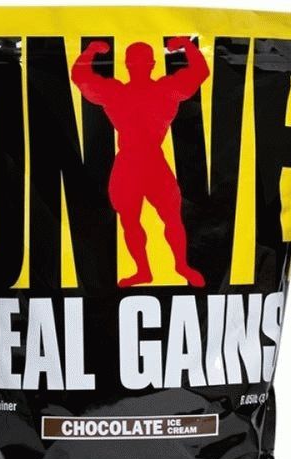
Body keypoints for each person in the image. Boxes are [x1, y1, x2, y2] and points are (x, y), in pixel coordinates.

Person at [71, 37, 209, 287]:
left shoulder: (139, 91)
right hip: (134, 163)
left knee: (167, 218)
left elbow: (81, 77)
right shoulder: (152, 91)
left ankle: (179, 265)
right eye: (136, 61)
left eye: (138, 61)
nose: (137, 65)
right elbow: (199, 72)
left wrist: (91, 51)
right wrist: (186, 46)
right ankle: (145, 270)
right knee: (134, 220)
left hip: (146, 161)